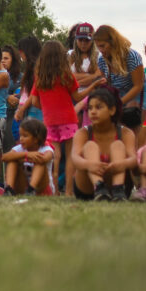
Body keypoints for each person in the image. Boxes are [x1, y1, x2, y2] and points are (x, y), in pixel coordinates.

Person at [18, 40, 100, 197]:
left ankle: (54, 188)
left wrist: (47, 108)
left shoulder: (40, 77)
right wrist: (92, 87)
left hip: (49, 121)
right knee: (70, 156)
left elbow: (34, 101)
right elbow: (77, 96)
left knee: (54, 156)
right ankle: (69, 190)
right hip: (68, 119)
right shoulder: (66, 75)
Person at [69, 88, 137, 201]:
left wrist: (122, 164)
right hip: (87, 188)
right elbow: (74, 158)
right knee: (90, 145)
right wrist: (89, 165)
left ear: (112, 110)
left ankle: (118, 189)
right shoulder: (83, 133)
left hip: (117, 183)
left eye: (98, 107)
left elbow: (134, 159)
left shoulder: (126, 133)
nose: (93, 112)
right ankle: (99, 187)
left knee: (118, 145)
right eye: (90, 108)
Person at [92, 25, 146, 132]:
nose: (100, 50)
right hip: (118, 93)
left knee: (132, 128)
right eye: (98, 47)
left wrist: (118, 103)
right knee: (117, 130)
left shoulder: (131, 56)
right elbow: (107, 84)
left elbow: (138, 85)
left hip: (137, 92)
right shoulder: (102, 60)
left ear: (112, 42)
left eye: (103, 46)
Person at [1, 119, 53, 196]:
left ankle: (31, 189)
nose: (21, 139)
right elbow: (4, 157)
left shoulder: (45, 149)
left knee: (39, 161)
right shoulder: (20, 148)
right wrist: (26, 155)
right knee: (12, 160)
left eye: (25, 136)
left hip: (42, 188)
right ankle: (9, 189)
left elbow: (46, 158)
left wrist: (22, 158)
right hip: (22, 186)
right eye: (20, 135)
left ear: (36, 139)